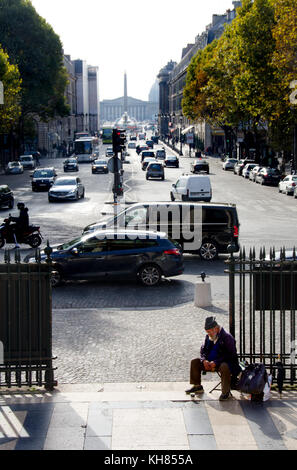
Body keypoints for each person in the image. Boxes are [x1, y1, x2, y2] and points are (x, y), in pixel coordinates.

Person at [185, 317, 241, 401]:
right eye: (207, 332)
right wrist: (204, 360)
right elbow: (203, 350)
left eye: (209, 332)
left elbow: (230, 355)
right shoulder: (209, 337)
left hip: (223, 363)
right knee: (195, 362)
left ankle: (225, 392)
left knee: (224, 366)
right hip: (209, 363)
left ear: (216, 329)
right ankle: (197, 386)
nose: (208, 334)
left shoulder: (227, 338)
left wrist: (216, 362)